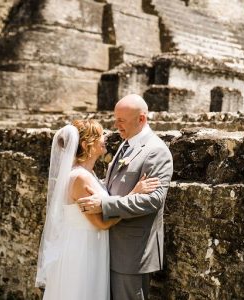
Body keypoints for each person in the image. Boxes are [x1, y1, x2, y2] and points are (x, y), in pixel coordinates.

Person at [35, 120, 159, 300]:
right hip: (83, 249)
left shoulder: (87, 174)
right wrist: (134, 193)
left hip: (89, 244)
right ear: (86, 145)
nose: (106, 137)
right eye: (100, 135)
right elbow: (101, 223)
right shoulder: (79, 179)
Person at [78, 94, 174, 300]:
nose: (116, 125)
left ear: (141, 119)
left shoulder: (156, 151)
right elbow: (114, 186)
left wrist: (104, 205)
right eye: (116, 118)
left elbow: (154, 200)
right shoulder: (126, 143)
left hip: (132, 252)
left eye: (121, 120)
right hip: (109, 244)